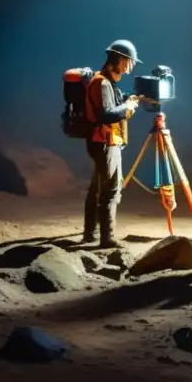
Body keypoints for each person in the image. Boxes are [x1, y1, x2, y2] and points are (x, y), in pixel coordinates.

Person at [83, 39, 141, 248]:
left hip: (103, 142)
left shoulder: (107, 83)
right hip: (105, 142)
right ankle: (107, 239)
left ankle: (90, 234)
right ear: (115, 60)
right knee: (111, 190)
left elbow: (111, 105)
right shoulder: (102, 83)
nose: (129, 67)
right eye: (127, 62)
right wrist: (129, 107)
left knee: (97, 188)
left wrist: (129, 99)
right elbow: (106, 114)